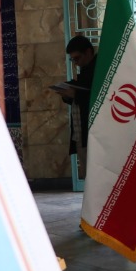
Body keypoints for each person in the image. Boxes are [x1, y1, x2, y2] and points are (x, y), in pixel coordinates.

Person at [53, 36, 96, 176]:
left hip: (93, 135)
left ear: (88, 52)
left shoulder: (99, 70)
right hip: (81, 133)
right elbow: (80, 97)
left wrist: (76, 94)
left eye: (77, 58)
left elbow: (99, 99)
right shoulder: (85, 71)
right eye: (73, 60)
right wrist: (68, 95)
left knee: (94, 177)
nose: (76, 63)